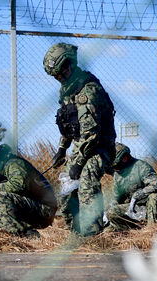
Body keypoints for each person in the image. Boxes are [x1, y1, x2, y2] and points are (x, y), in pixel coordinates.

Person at [44, 42, 117, 236]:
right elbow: (69, 123)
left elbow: (90, 133)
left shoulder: (88, 90)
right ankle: (75, 235)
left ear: (70, 65)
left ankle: (93, 236)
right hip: (80, 149)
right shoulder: (66, 90)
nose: (58, 78)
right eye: (55, 75)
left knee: (86, 184)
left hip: (99, 147)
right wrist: (61, 149)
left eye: (61, 72)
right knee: (67, 194)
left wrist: (76, 163)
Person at [0, 144, 57, 238]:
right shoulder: (5, 170)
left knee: (0, 198)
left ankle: (28, 235)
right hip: (34, 207)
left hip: (44, 209)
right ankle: (20, 235)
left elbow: (19, 185)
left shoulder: (14, 163)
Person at [104, 143, 157, 231]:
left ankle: (151, 231)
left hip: (150, 206)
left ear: (124, 159)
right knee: (112, 213)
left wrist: (138, 195)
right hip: (134, 209)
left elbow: (156, 185)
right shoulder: (118, 174)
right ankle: (133, 230)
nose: (116, 169)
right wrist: (107, 213)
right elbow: (116, 198)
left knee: (153, 197)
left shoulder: (141, 166)